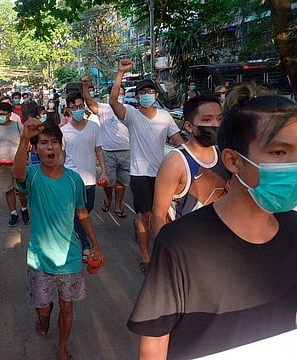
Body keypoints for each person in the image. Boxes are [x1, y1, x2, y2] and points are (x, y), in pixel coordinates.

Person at [127, 89, 297, 359]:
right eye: (278, 152)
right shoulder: (179, 245)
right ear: (234, 161)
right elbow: (155, 344)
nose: (292, 165)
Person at [13, 119, 104, 360]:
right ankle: (43, 318)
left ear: (61, 147)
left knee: (67, 306)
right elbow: (17, 173)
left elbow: (82, 213)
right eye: (43, 143)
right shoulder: (32, 177)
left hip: (70, 258)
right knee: (43, 309)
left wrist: (94, 245)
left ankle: (62, 347)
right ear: (36, 149)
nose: (50, 147)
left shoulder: (74, 180)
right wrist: (24, 139)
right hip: (41, 258)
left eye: (54, 142)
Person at [109, 59, 185, 275]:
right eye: (143, 91)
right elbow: (114, 101)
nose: (147, 94)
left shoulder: (165, 116)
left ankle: (163, 249)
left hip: (162, 173)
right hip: (140, 174)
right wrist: (120, 73)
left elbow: (177, 139)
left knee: (161, 214)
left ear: (156, 96)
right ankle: (146, 255)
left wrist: (193, 153)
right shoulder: (131, 115)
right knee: (144, 214)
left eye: (151, 91)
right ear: (137, 96)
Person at [152, 95, 228, 237]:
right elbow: (158, 216)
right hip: (186, 246)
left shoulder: (225, 156)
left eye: (219, 118)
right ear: (188, 126)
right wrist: (161, 256)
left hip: (220, 244)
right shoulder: (176, 162)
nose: (215, 125)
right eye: (207, 119)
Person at [61, 92, 108, 262]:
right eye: (74, 107)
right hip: (72, 179)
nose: (78, 110)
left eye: (81, 106)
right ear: (68, 110)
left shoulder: (94, 127)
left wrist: (103, 171)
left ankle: (77, 233)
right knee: (78, 214)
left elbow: (99, 150)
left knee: (87, 210)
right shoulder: (64, 131)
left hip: (90, 179)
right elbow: (62, 155)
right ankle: (86, 246)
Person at [82, 76, 130, 218]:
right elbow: (89, 101)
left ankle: (118, 206)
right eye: (117, 93)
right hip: (108, 152)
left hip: (127, 152)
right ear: (111, 95)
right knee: (108, 182)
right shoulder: (103, 108)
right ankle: (108, 199)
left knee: (122, 182)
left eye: (121, 93)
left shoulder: (129, 109)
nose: (119, 95)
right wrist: (85, 85)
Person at [0, 102, 30, 227]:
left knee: (21, 190)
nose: (0, 116)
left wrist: (23, 157)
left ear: (10, 114)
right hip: (2, 166)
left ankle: (24, 209)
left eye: (3, 114)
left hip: (19, 165)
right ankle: (13, 213)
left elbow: (26, 143)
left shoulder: (18, 126)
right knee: (8, 190)